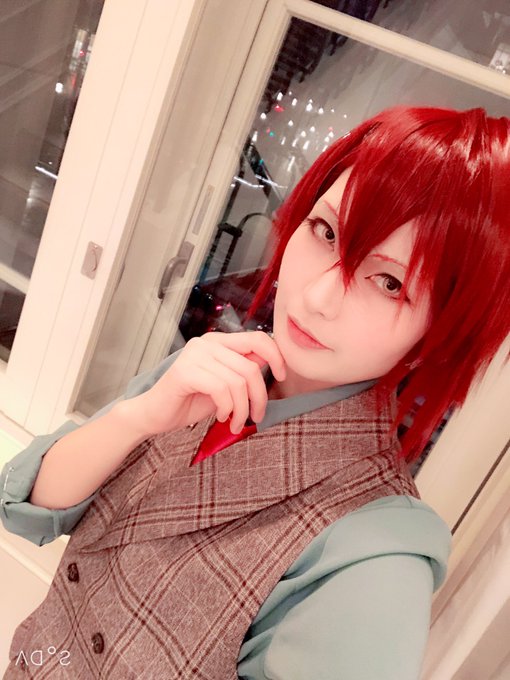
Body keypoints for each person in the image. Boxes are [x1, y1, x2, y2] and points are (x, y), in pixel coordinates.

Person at [1, 104, 508, 679]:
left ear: (439, 336)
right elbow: (29, 507)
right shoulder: (212, 369)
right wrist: (138, 417)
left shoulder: (374, 555)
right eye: (326, 232)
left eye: (389, 282)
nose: (318, 297)